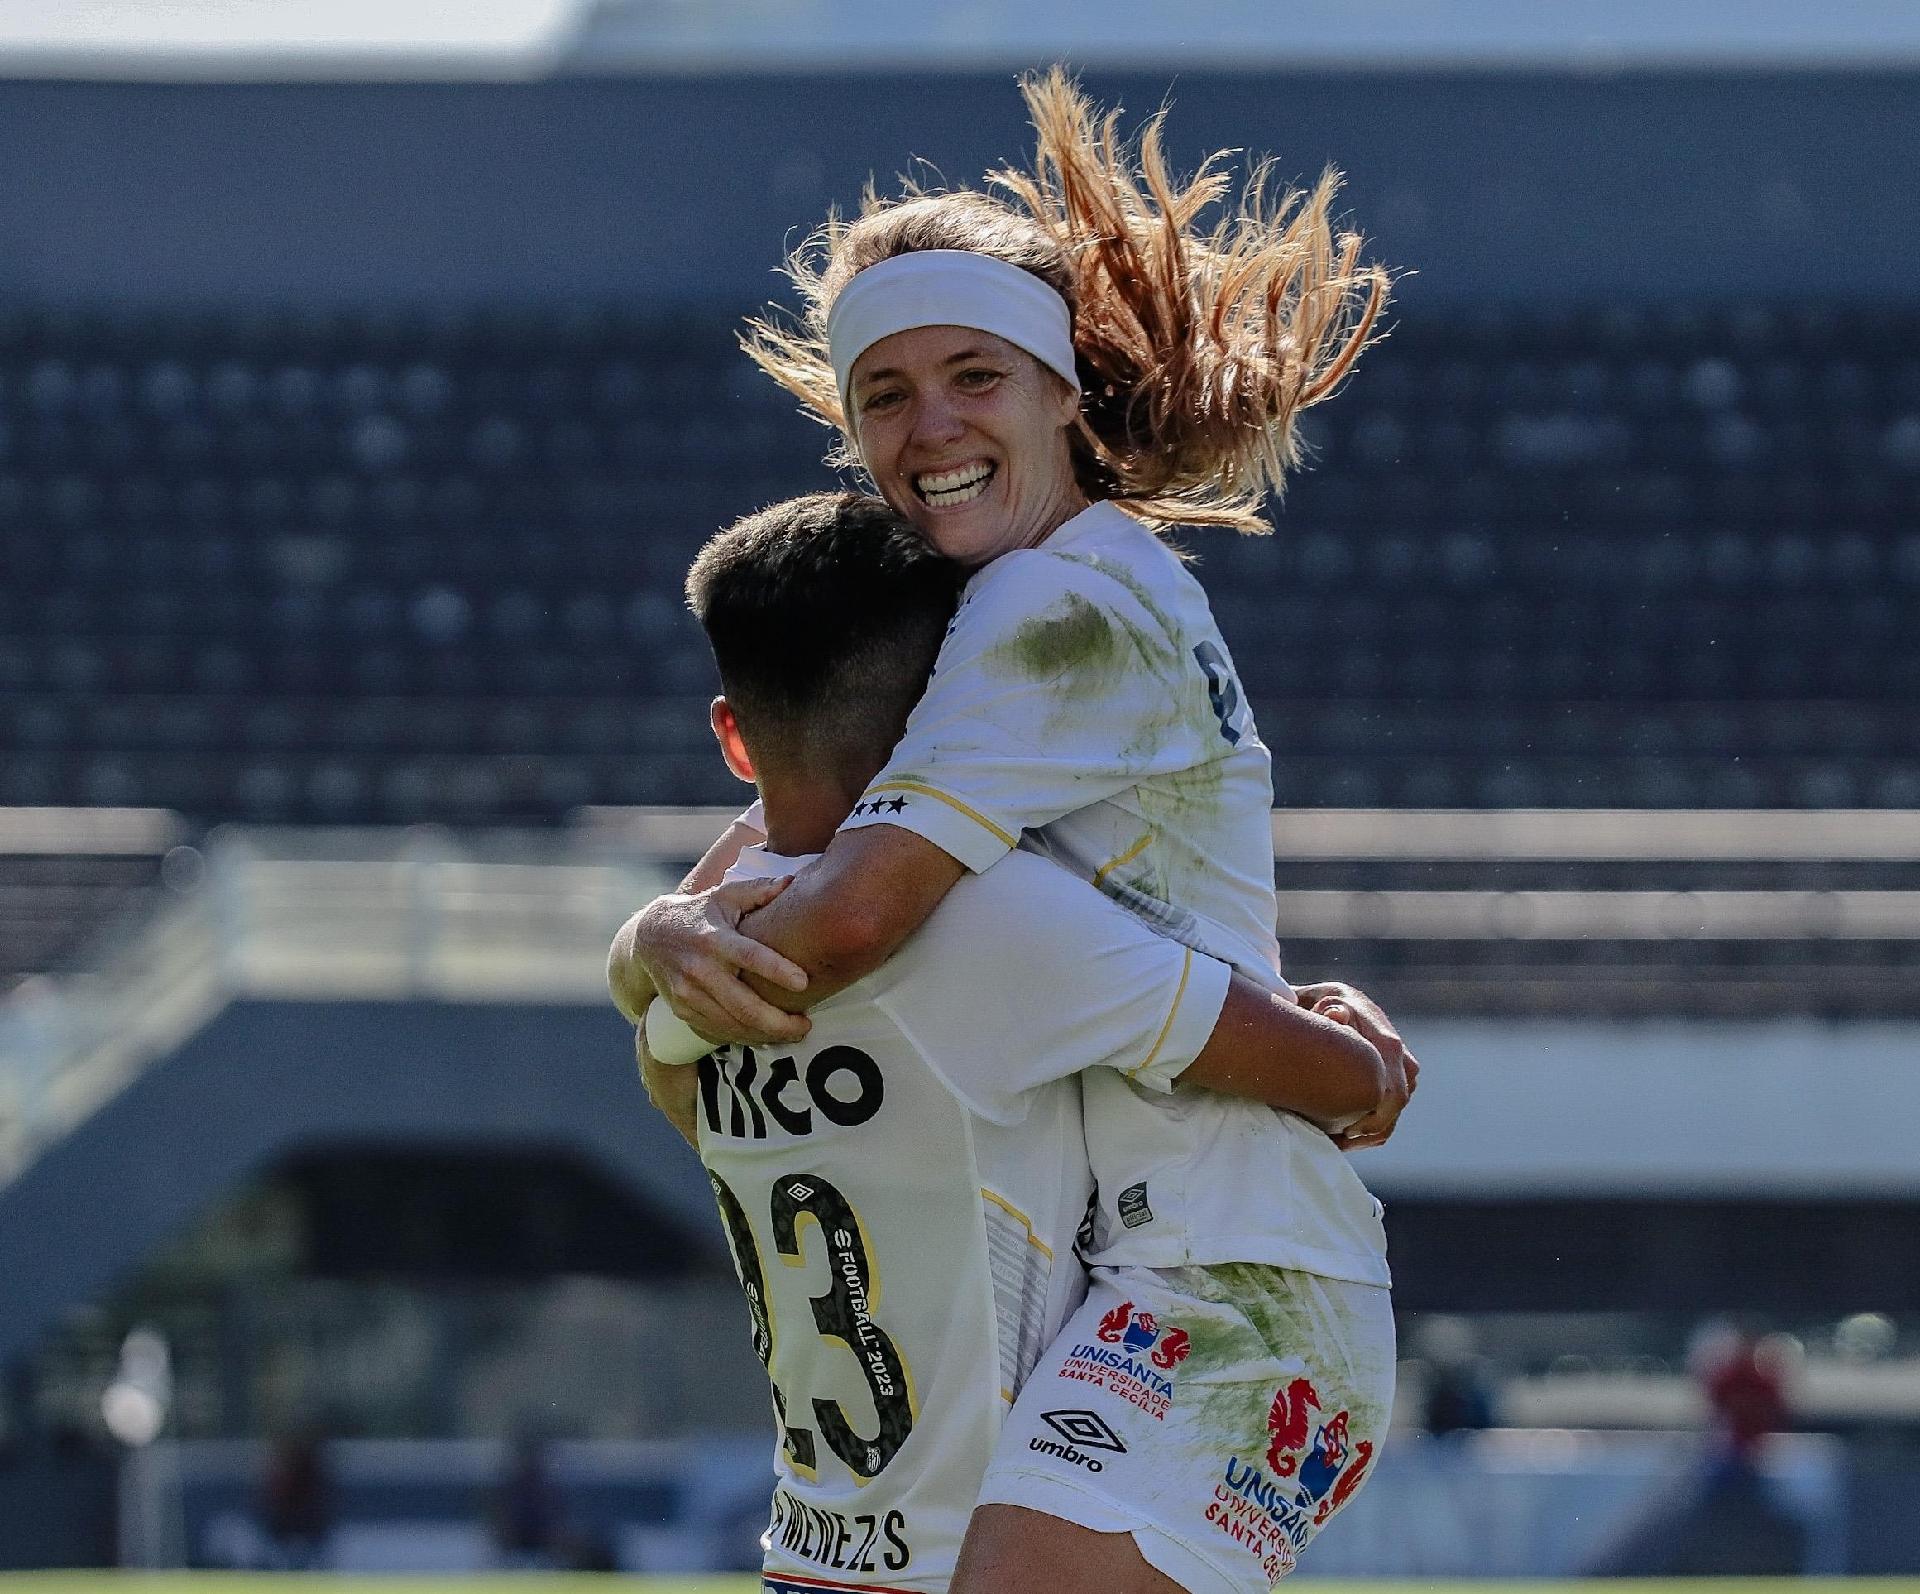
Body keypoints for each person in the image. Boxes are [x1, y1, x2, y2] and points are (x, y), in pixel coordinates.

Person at [609, 72, 1410, 1592]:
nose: (932, 427)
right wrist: (653, 935)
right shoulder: (1005, 612)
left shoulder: (1062, 604)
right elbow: (780, 855)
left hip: (1231, 1283)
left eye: (975, 373)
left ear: (1062, 391)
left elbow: (838, 915)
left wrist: (647, 965)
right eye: (886, 395)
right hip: (1124, 1280)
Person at [640, 491, 1395, 1594]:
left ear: (731, 736)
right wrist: (1348, 1037)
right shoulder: (985, 922)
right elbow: (1333, 1079)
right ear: (949, 714)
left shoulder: (701, 966)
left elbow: (665, 1072)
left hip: (824, 1546)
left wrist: (649, 932)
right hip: (988, 1538)